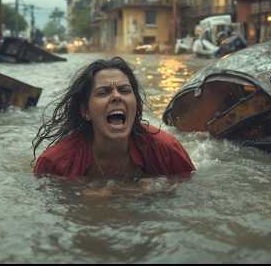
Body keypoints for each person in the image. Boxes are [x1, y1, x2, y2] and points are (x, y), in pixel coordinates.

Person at [32, 57, 195, 181]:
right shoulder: (55, 163)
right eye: (103, 92)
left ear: (136, 105)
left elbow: (190, 193)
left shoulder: (167, 150)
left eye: (124, 90)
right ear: (85, 111)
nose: (117, 96)